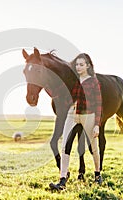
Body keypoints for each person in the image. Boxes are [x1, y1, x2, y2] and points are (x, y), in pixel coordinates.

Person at [49, 53, 103, 190]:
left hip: (88, 115)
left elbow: (98, 104)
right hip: (72, 114)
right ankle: (62, 180)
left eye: (81, 65)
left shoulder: (93, 82)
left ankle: (97, 174)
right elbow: (62, 93)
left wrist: (97, 124)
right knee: (65, 145)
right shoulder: (73, 80)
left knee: (94, 147)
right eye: (77, 64)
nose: (78, 67)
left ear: (88, 66)